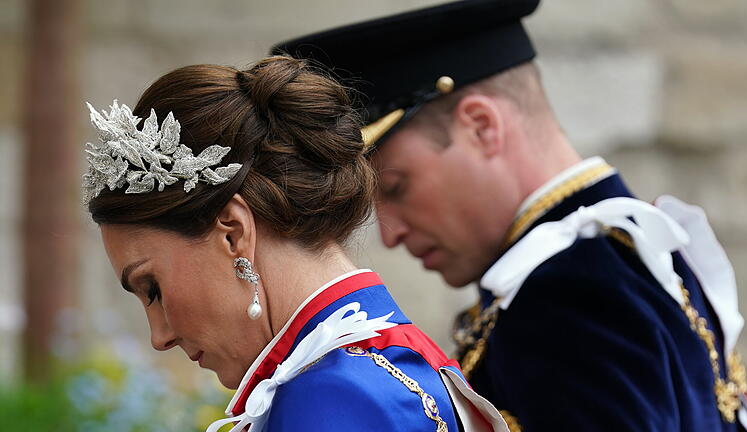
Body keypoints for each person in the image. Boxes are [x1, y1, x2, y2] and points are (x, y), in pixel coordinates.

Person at [272, 1, 747, 431]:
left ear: (481, 126)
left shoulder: (571, 294)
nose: (391, 233)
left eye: (396, 188)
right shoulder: (616, 257)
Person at [83, 56, 510, 431]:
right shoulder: (372, 366)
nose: (159, 336)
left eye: (152, 288)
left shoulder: (333, 396)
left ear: (233, 233)